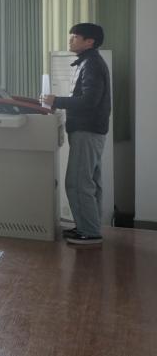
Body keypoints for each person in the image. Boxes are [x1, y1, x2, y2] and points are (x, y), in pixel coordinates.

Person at [44, 22, 111, 246]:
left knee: (78, 182)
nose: (70, 40)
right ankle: (87, 226)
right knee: (89, 182)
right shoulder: (87, 61)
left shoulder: (91, 64)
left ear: (89, 41)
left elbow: (89, 101)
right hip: (89, 130)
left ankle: (89, 232)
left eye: (75, 37)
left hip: (87, 131)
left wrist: (56, 101)